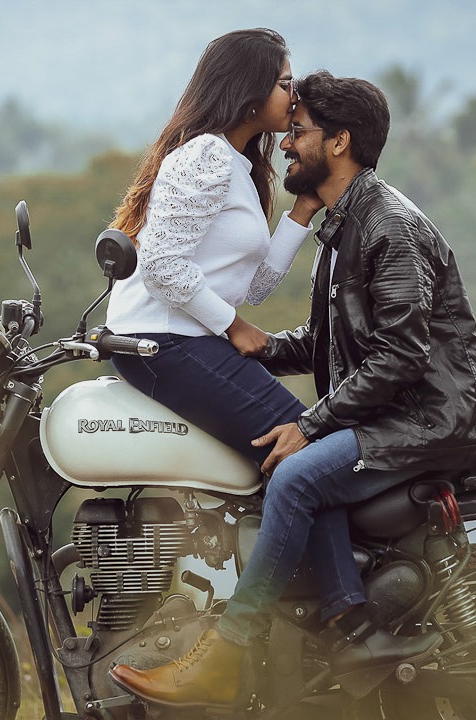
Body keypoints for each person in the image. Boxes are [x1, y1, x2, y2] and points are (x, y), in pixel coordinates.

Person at [109, 72, 476, 710]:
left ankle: (227, 655)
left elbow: (400, 356)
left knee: (293, 474)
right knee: (293, 468)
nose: (286, 143)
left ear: (339, 142)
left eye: (299, 131)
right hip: (388, 415)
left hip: (423, 420)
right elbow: (329, 341)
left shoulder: (389, 227)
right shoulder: (345, 226)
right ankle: (344, 619)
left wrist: (310, 426)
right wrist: (252, 346)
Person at [105, 28, 323, 468]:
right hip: (162, 339)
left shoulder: (239, 164)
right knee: (310, 454)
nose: (294, 96)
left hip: (184, 337)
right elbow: (161, 266)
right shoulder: (208, 154)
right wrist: (234, 326)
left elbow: (254, 287)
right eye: (285, 84)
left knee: (303, 452)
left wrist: (303, 211)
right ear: (249, 89)